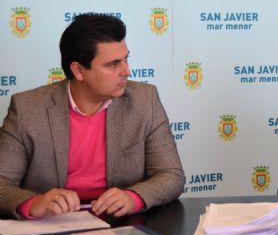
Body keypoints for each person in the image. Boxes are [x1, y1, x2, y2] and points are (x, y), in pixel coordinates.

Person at [0, 14, 185, 219]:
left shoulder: (145, 100)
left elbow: (171, 175)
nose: (126, 71)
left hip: (121, 224)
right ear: (78, 70)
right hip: (53, 225)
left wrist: (133, 198)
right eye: (113, 64)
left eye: (125, 59)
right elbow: (2, 183)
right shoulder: (27, 109)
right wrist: (33, 203)